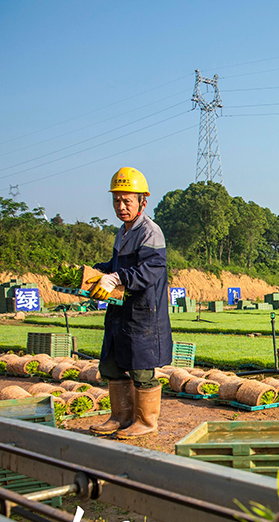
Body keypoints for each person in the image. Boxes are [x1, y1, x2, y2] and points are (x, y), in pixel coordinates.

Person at [87, 167, 173, 438]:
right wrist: (95, 272)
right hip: (120, 312)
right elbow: (116, 265)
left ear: (142, 202)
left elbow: (151, 269)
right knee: (112, 365)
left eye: (127, 201)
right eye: (117, 200)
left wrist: (117, 277)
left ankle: (146, 422)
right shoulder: (122, 231)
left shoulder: (150, 231)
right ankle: (120, 417)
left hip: (143, 313)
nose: (121, 206)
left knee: (141, 369)